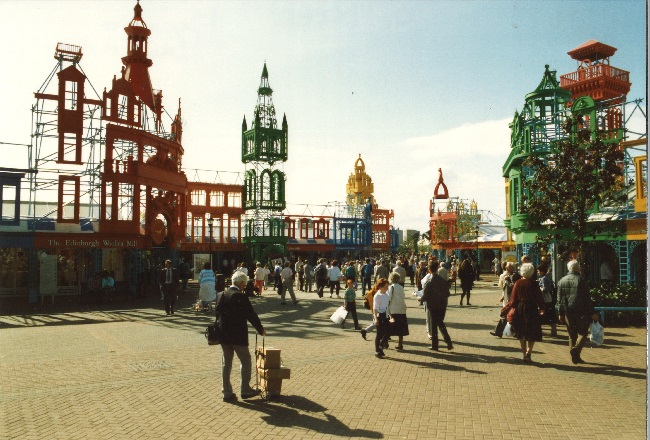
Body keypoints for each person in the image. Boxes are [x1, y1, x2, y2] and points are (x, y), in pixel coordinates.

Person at [215, 271, 266, 402]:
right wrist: (260, 329)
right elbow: (251, 314)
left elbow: (217, 315)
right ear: (242, 283)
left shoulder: (221, 295)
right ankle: (245, 389)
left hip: (223, 335)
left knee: (226, 363)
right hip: (238, 335)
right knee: (246, 360)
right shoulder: (241, 297)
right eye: (245, 283)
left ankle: (226, 392)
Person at [557, 260, 599, 364]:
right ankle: (576, 350)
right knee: (583, 333)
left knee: (571, 335)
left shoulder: (562, 280)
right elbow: (587, 298)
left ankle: (575, 355)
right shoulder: (581, 280)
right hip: (581, 311)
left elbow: (559, 299)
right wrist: (592, 312)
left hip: (568, 311)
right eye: (579, 267)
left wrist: (560, 313)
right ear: (576, 268)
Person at [503, 263, 545, 363]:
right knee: (532, 331)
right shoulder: (534, 284)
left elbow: (513, 300)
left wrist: (509, 308)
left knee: (522, 331)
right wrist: (542, 308)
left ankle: (524, 354)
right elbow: (540, 298)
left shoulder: (518, 283)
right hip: (532, 308)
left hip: (521, 308)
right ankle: (529, 352)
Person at [419, 261, 453, 351]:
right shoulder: (442, 280)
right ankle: (448, 341)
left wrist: (420, 299)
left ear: (429, 270)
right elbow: (448, 293)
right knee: (440, 322)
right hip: (442, 304)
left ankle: (435, 345)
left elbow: (425, 295)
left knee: (434, 325)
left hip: (433, 305)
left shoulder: (430, 281)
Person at [490, 262, 516, 337]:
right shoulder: (508, 275)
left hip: (511, 299)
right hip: (507, 298)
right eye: (506, 267)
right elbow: (504, 288)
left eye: (508, 267)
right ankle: (499, 331)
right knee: (507, 315)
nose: (506, 268)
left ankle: (498, 331)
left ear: (512, 268)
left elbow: (513, 286)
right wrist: (503, 296)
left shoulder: (514, 275)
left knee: (506, 315)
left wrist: (507, 280)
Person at [387, 273, 408, 350]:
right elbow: (403, 296)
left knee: (389, 326)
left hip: (393, 309)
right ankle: (400, 344)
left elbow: (389, 298)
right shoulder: (401, 287)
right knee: (401, 327)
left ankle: (385, 342)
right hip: (402, 308)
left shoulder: (391, 287)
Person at [372, 278, 391, 358]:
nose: (387, 288)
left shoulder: (386, 294)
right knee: (379, 334)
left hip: (386, 315)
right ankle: (377, 351)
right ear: (381, 287)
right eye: (386, 287)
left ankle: (380, 345)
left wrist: (390, 315)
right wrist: (375, 318)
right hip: (379, 316)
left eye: (387, 286)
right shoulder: (377, 296)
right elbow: (375, 308)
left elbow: (387, 306)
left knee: (388, 332)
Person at [538, 265, 557, 337]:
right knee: (550, 315)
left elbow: (546, 288)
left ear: (542, 271)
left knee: (544, 314)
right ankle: (553, 331)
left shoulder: (543, 278)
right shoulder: (545, 278)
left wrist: (540, 289)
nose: (538, 272)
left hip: (545, 298)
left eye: (538, 271)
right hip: (548, 298)